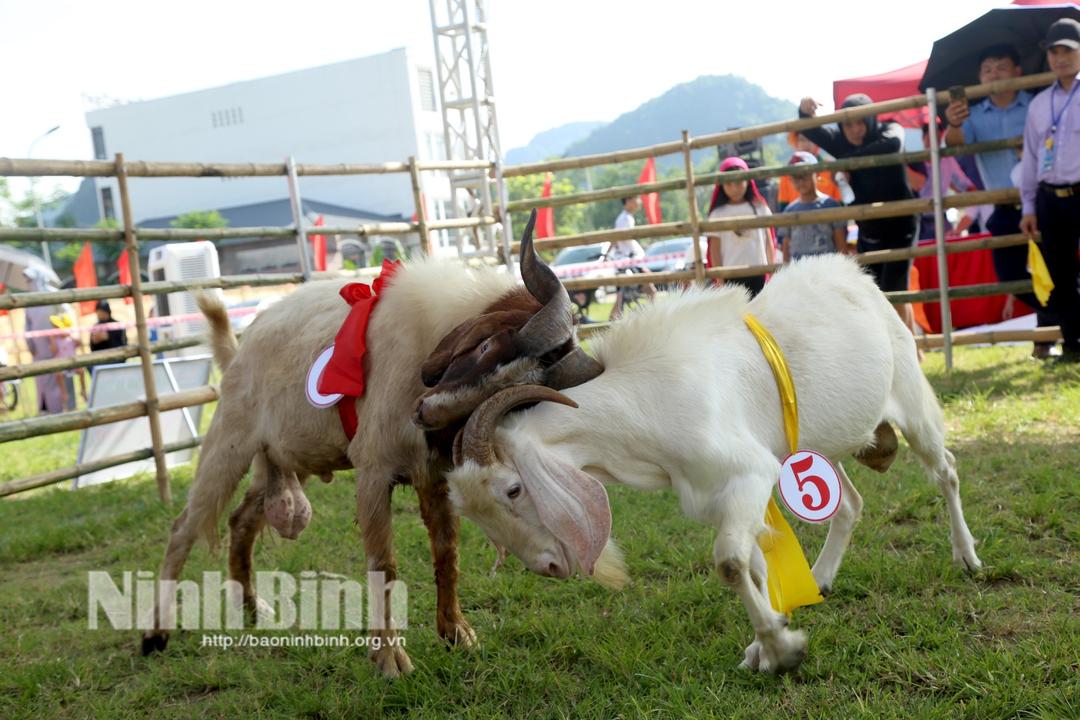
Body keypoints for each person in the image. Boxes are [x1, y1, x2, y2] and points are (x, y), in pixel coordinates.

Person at [944, 43, 1056, 359]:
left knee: (1055, 269)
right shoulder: (973, 115)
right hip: (1003, 208)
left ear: (1017, 71)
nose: (993, 74)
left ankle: (1047, 339)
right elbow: (954, 144)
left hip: (1044, 200)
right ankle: (1065, 319)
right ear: (979, 76)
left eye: (1001, 67)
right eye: (987, 69)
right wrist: (953, 123)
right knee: (1011, 276)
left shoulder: (1037, 104)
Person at [798, 92, 920, 346]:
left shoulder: (889, 129)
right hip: (869, 229)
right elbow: (810, 130)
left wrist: (846, 161)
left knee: (894, 289)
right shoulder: (840, 141)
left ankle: (906, 349)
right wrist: (804, 111)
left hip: (901, 225)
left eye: (860, 122)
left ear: (871, 120)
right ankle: (908, 348)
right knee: (874, 292)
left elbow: (893, 145)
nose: (854, 129)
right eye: (848, 124)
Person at [1019, 18, 1080, 364]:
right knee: (1060, 272)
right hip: (1049, 198)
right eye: (1054, 51)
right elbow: (1030, 156)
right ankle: (1073, 345)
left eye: (1067, 50)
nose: (1060, 57)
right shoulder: (1039, 104)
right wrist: (1028, 206)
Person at [705, 156, 774, 297]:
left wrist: (771, 271)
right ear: (722, 185)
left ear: (747, 181)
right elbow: (715, 250)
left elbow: (768, 242)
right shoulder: (718, 214)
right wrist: (720, 279)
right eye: (729, 184)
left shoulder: (760, 208)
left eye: (738, 182)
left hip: (758, 273)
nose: (734, 188)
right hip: (731, 275)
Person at [778, 152, 849, 263]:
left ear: (817, 174)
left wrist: (843, 266)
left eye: (805, 175)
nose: (801, 181)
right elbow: (786, 247)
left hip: (827, 266)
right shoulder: (789, 211)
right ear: (790, 180)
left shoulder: (831, 205)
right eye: (796, 177)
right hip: (800, 268)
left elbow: (841, 244)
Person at [607, 196, 656, 320]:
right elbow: (619, 238)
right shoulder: (625, 218)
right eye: (636, 199)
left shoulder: (625, 217)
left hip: (628, 261)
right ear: (628, 201)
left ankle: (613, 321)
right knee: (651, 291)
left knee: (621, 297)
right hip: (630, 262)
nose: (639, 202)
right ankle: (647, 317)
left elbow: (616, 239)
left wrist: (608, 253)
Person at [777, 132, 842, 210]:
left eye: (811, 139)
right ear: (796, 142)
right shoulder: (786, 173)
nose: (806, 144)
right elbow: (783, 206)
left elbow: (840, 204)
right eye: (802, 140)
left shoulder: (831, 169)